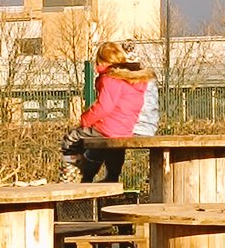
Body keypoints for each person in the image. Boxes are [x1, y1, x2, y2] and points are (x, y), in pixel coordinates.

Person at [60, 41, 159, 182]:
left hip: (108, 128)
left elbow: (104, 107)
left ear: (102, 62)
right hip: (125, 129)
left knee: (72, 137)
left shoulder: (110, 78)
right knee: (112, 148)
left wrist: (85, 120)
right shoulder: (131, 79)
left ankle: (71, 173)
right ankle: (112, 178)